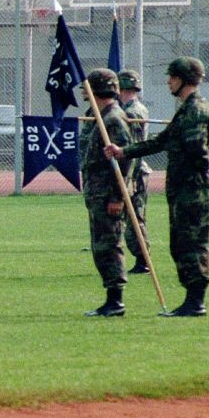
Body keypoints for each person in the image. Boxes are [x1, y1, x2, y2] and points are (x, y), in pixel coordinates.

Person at [105, 57, 209, 316]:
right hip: (180, 189)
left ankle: (196, 301)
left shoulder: (196, 110)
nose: (168, 81)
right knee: (179, 243)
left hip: (191, 189)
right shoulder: (185, 109)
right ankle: (191, 298)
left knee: (192, 244)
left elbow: (197, 149)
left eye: (172, 77)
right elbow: (160, 142)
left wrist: (205, 166)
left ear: (184, 80)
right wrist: (123, 151)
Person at [79, 69, 134, 317]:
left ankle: (116, 300)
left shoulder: (113, 119)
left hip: (108, 195)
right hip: (97, 193)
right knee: (100, 246)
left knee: (109, 245)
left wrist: (117, 197)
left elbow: (124, 160)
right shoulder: (98, 116)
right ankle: (111, 299)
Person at [117, 70, 153, 274]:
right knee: (131, 217)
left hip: (135, 172)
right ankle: (141, 258)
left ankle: (143, 259)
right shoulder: (129, 108)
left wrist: (128, 177)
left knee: (134, 218)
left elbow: (135, 147)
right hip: (132, 170)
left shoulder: (133, 112)